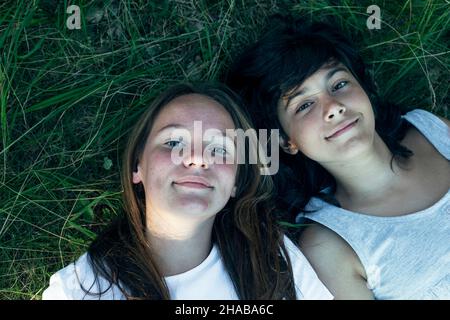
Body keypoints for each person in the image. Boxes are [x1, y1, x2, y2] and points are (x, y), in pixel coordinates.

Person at [226, 16, 450, 299]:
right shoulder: (330, 244)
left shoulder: (432, 131)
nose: (333, 107)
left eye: (339, 84)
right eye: (304, 105)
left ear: (364, 89)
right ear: (286, 141)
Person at [42, 83, 333, 300]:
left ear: (234, 183)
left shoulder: (272, 257)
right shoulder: (78, 291)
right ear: (137, 167)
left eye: (219, 149)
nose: (198, 159)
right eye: (173, 143)